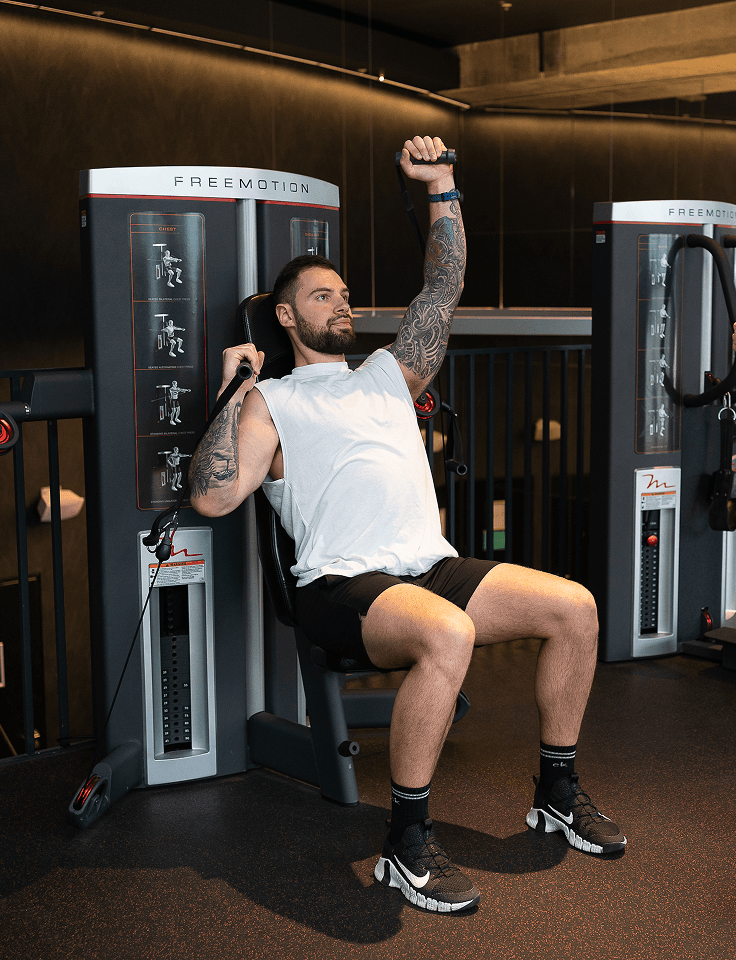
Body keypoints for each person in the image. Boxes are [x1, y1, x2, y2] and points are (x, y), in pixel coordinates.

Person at [189, 136, 626, 914]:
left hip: (429, 565)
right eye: (322, 296)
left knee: (576, 608)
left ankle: (557, 793)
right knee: (448, 634)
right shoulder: (270, 403)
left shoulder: (391, 372)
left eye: (344, 294)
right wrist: (233, 389)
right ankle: (406, 840)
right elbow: (214, 499)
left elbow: (444, 284)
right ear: (285, 316)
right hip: (341, 583)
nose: (341, 303)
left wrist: (442, 184)